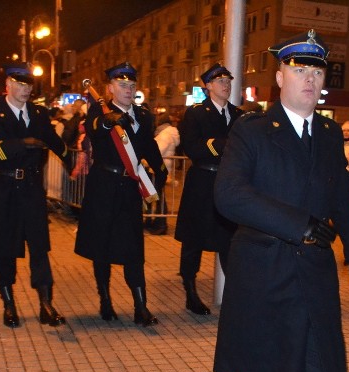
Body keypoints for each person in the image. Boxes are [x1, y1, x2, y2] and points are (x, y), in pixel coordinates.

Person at [213, 30, 349, 372]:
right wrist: (298, 224)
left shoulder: (328, 131)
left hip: (314, 266)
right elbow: (231, 194)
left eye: (317, 72)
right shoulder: (252, 130)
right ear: (280, 76)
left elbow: (337, 186)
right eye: (300, 70)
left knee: (322, 359)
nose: (310, 79)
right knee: (254, 350)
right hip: (262, 261)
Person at [0, 63, 71, 328]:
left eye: (29, 84)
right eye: (20, 84)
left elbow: (54, 140)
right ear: (8, 84)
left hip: (30, 189)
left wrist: (72, 163)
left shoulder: (39, 113)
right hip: (2, 189)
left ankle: (46, 304)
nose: (25, 89)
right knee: (3, 248)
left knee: (40, 247)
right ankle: (8, 303)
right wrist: (19, 145)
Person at [74, 62, 167, 325]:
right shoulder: (100, 110)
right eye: (122, 85)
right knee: (102, 246)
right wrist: (108, 121)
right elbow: (94, 127)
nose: (128, 89)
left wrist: (160, 173)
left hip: (129, 189)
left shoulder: (144, 115)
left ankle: (141, 307)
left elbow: (149, 147)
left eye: (132, 85)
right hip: (104, 185)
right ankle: (105, 300)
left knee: (133, 248)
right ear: (111, 88)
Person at [174, 63, 242, 315]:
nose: (226, 85)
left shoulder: (238, 114)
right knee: (193, 240)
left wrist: (217, 145)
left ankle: (236, 295)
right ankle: (190, 292)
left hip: (227, 183)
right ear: (208, 86)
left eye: (228, 81)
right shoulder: (196, 114)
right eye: (220, 81)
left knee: (230, 240)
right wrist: (225, 145)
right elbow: (193, 148)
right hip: (202, 183)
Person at [149, 111, 180, 235]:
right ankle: (155, 220)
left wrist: (147, 158)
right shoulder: (167, 133)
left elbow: (157, 151)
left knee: (159, 197)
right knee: (156, 196)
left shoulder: (165, 135)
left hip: (159, 168)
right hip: (160, 168)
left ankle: (161, 224)